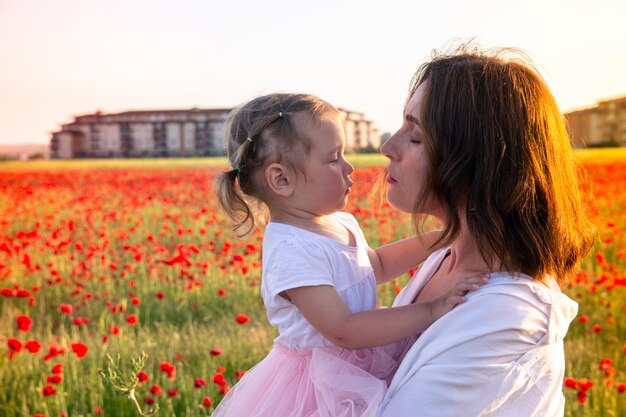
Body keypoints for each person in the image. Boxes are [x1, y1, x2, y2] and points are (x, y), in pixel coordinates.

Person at [212, 93, 487, 417]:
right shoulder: (291, 251)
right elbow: (343, 329)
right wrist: (431, 311)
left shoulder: (336, 222)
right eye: (333, 159)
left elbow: (376, 265)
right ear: (281, 179)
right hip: (315, 387)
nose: (349, 166)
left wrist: (442, 237)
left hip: (351, 363)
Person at [376, 44, 595, 417]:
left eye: (415, 137)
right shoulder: (446, 257)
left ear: (475, 162)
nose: (387, 147)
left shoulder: (508, 317)